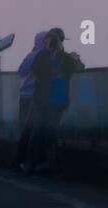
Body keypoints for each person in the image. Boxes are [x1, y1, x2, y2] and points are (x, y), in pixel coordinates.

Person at [28, 27, 84, 173]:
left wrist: (73, 59)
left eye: (54, 40)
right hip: (52, 100)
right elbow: (36, 71)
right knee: (43, 130)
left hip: (49, 99)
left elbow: (78, 67)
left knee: (42, 130)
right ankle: (40, 162)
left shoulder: (60, 58)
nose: (52, 43)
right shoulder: (49, 57)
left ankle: (39, 162)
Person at [13, 31, 45, 173]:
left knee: (25, 130)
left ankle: (20, 160)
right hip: (40, 98)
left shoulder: (31, 56)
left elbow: (21, 72)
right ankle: (33, 161)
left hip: (26, 96)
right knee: (37, 131)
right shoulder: (50, 58)